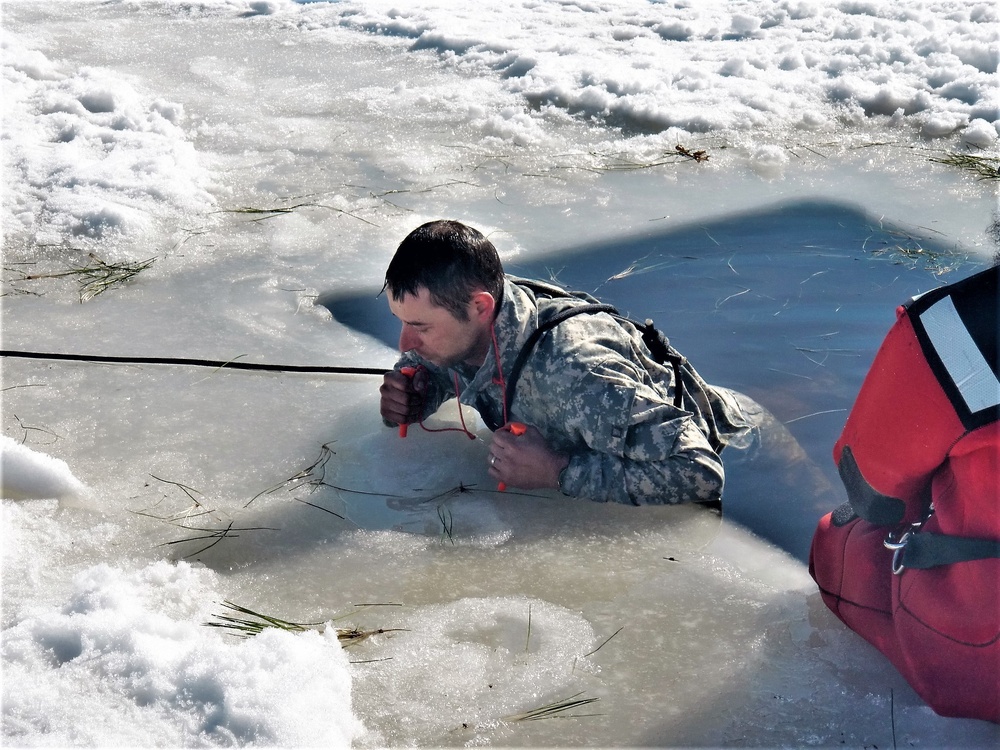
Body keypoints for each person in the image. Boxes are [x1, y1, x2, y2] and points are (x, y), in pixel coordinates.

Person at [378, 219, 750, 506]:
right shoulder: (469, 318)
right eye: (402, 321)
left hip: (741, 441)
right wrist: (415, 393)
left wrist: (559, 472)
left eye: (419, 327)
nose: (405, 344)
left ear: (480, 308)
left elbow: (700, 473)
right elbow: (444, 365)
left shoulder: (578, 373)